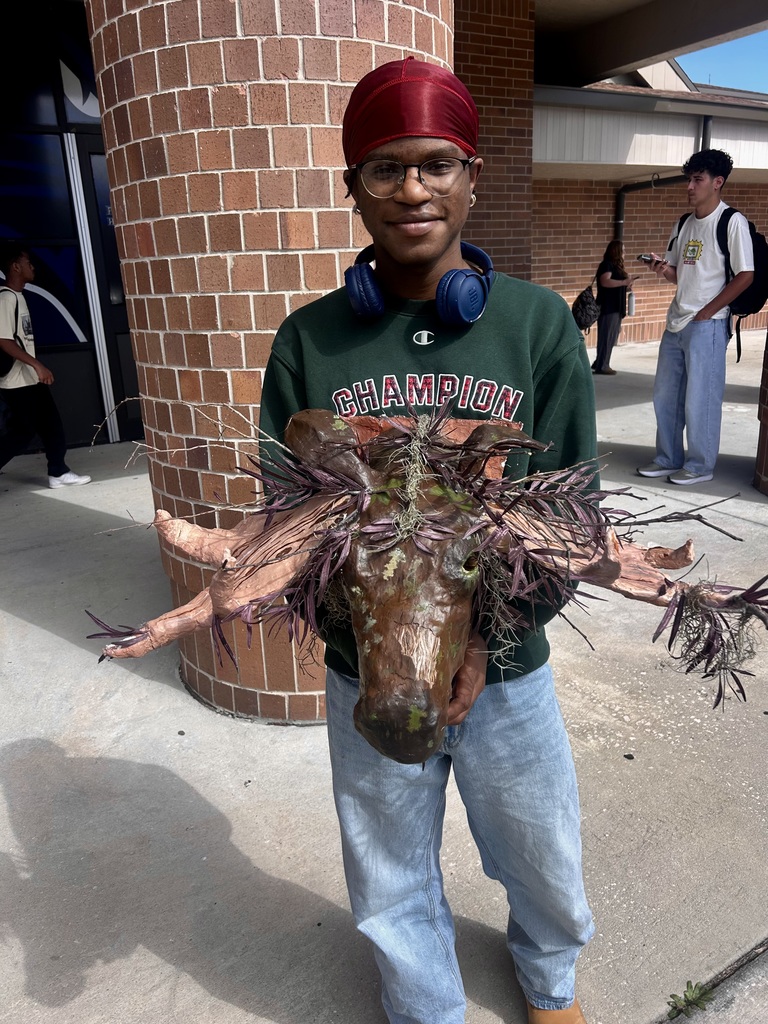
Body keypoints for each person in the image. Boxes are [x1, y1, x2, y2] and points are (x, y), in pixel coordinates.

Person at [259, 58, 596, 1024]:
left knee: (540, 848)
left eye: (436, 164)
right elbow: (295, 527)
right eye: (385, 168)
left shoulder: (536, 326)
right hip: (364, 668)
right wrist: (379, 639)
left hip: (512, 663)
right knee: (387, 862)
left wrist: (486, 636)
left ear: (472, 175)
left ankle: (552, 983)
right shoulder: (309, 342)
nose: (413, 187)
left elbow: (570, 510)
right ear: (353, 188)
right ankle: (426, 1009)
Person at [637, 149, 754, 485]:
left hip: (708, 325)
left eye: (697, 179)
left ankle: (700, 466)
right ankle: (668, 458)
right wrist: (662, 269)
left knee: (700, 398)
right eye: (689, 179)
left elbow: (746, 274)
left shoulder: (731, 222)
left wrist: (707, 312)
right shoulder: (685, 223)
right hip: (677, 321)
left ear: (717, 183)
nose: (690, 186)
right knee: (666, 395)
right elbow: (679, 273)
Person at [0, 242, 91, 488]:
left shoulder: (18, 297)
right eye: (28, 262)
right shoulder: (6, 299)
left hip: (28, 378)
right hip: (16, 381)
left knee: (51, 424)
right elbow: (4, 341)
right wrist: (37, 365)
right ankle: (58, 471)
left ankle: (58, 472)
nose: (33, 267)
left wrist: (35, 369)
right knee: (21, 432)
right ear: (16, 267)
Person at [591, 240, 637, 375]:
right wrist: (623, 281)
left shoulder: (617, 267)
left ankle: (600, 361)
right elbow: (605, 281)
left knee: (611, 335)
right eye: (623, 250)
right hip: (609, 306)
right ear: (616, 251)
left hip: (617, 306)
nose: (625, 253)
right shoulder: (607, 265)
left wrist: (627, 284)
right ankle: (603, 365)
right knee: (607, 335)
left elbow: (617, 284)